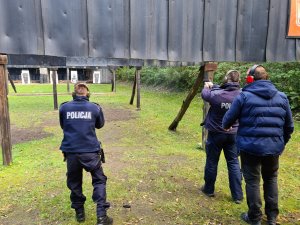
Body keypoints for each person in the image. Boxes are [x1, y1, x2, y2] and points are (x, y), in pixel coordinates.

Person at [222, 65, 294, 225]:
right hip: (273, 149)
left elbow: (227, 121)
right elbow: (289, 127)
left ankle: (254, 218)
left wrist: (226, 125)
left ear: (250, 79)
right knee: (271, 179)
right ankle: (272, 218)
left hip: (250, 148)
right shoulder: (282, 97)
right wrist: (280, 143)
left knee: (253, 182)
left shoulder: (243, 97)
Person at [59, 82, 113, 225]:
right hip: (90, 152)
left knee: (74, 182)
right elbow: (100, 125)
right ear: (87, 94)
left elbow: (63, 125)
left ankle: (80, 215)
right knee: (99, 180)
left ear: (73, 94)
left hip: (71, 152)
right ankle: (101, 217)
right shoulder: (95, 107)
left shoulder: (64, 107)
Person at [200, 70, 243, 204]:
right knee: (234, 163)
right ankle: (237, 196)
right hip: (234, 134)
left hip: (216, 133)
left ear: (226, 79)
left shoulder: (217, 94)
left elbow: (205, 94)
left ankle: (209, 189)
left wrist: (207, 86)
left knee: (212, 161)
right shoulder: (242, 95)